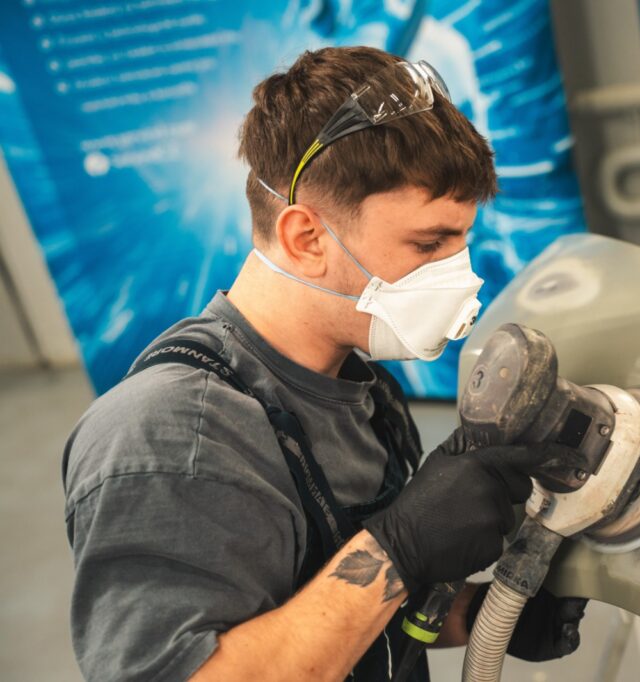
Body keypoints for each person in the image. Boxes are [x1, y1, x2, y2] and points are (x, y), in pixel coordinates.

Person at [61, 46, 586, 682]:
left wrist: (480, 613)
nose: (459, 276)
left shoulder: (363, 391)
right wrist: (397, 549)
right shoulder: (173, 437)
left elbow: (332, 620)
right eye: (429, 244)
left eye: (460, 243)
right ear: (306, 238)